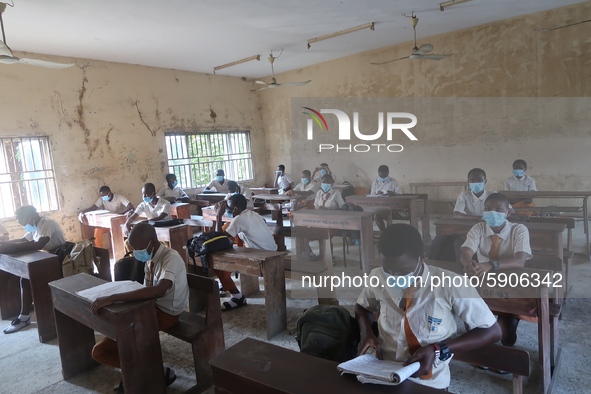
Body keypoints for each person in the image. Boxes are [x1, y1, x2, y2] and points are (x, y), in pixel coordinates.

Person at [356, 223, 501, 390]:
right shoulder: (377, 276)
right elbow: (363, 307)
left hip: (428, 382)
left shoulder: (451, 284)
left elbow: (492, 331)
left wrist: (438, 349)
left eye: (403, 271)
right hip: (381, 372)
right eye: (388, 270)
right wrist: (366, 332)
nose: (394, 277)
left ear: (422, 257)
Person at [91, 222, 188, 391]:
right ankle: (148, 370)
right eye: (133, 247)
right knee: (102, 349)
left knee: (118, 340)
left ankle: (150, 372)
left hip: (167, 313)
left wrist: (114, 297)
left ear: (152, 242)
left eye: (138, 247)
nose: (135, 252)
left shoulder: (170, 258)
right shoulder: (151, 259)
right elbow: (145, 290)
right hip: (151, 308)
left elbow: (158, 290)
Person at [460, 193, 531, 347]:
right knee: (477, 324)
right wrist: (468, 263)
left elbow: (519, 260)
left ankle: (506, 350)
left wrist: (491, 265)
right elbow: (466, 252)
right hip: (484, 281)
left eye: (499, 209)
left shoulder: (519, 230)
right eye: (488, 209)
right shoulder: (478, 228)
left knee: (505, 332)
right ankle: (484, 354)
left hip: (511, 285)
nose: (493, 213)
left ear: (508, 212)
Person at [0, 205, 66, 333]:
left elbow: (39, 244)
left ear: (30, 217)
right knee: (23, 278)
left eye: (23, 222)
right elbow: (23, 240)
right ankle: (25, 311)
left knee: (26, 279)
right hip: (46, 258)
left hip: (59, 260)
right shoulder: (35, 226)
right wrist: (5, 244)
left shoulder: (47, 224)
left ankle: (25, 317)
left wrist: (8, 248)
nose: (23, 226)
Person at [214, 194, 276, 311]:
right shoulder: (253, 214)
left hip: (262, 256)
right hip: (271, 251)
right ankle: (230, 289)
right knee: (226, 259)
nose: (227, 210)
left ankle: (237, 296)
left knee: (218, 263)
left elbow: (219, 239)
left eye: (229, 208)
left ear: (236, 209)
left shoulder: (239, 219)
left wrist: (218, 216)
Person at [369, 165, 403, 231]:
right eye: (380, 176)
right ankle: (384, 232)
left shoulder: (393, 181)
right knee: (376, 216)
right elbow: (372, 195)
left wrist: (393, 194)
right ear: (378, 174)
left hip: (391, 206)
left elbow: (400, 194)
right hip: (379, 206)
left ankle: (387, 233)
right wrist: (377, 194)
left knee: (389, 215)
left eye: (384, 176)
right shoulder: (375, 182)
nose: (382, 177)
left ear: (388, 173)